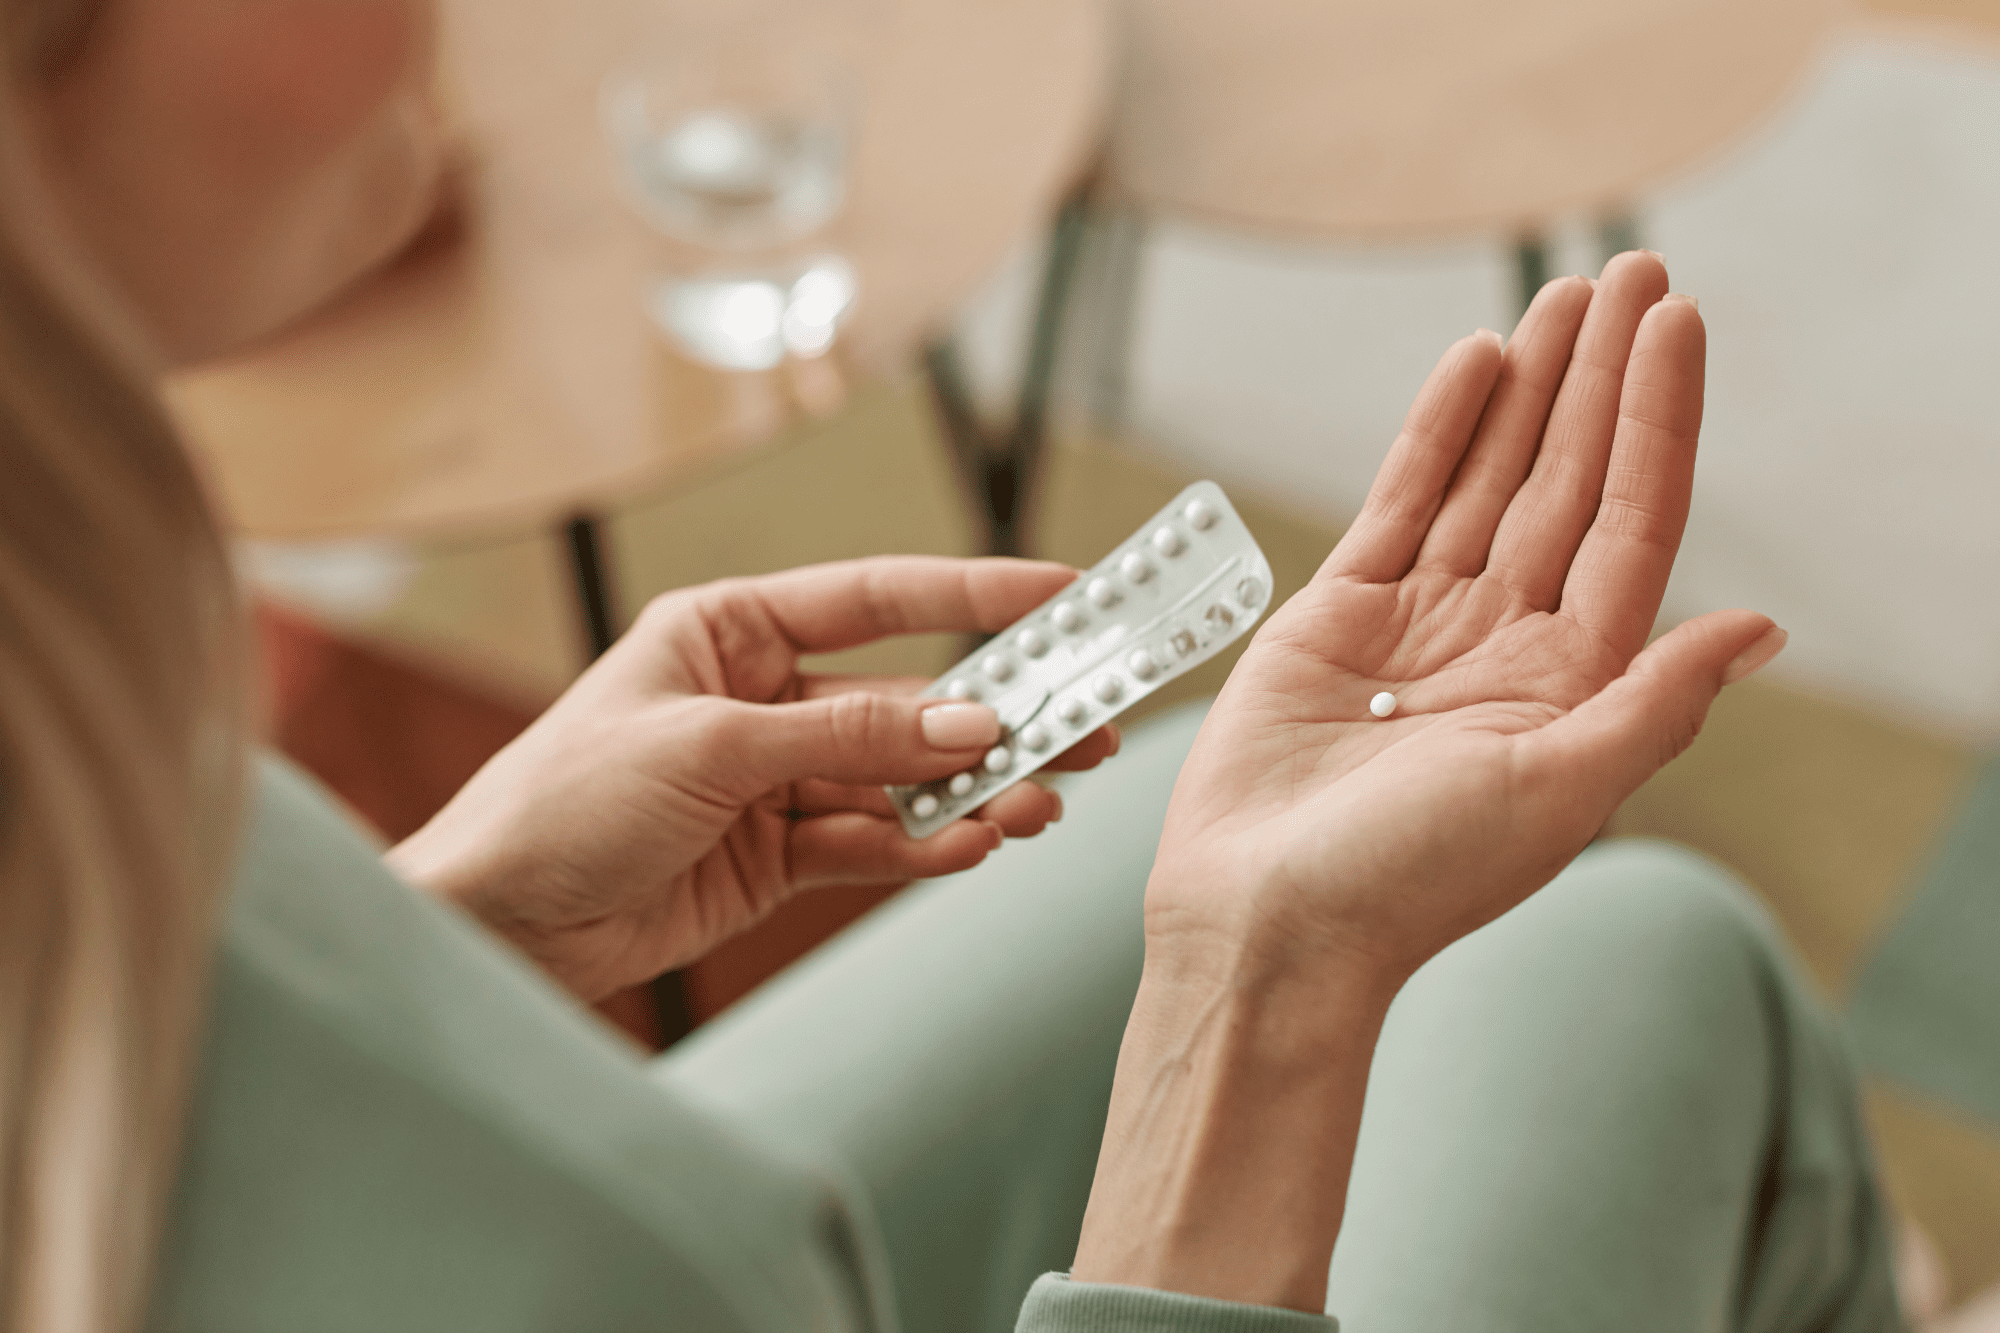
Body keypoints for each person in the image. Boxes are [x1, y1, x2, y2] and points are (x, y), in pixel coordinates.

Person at [0, 1, 1908, 1331]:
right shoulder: (641, 1263)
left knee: (1185, 802)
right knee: (1653, 965)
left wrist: (452, 937)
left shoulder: (68, 696)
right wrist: (1260, 999)